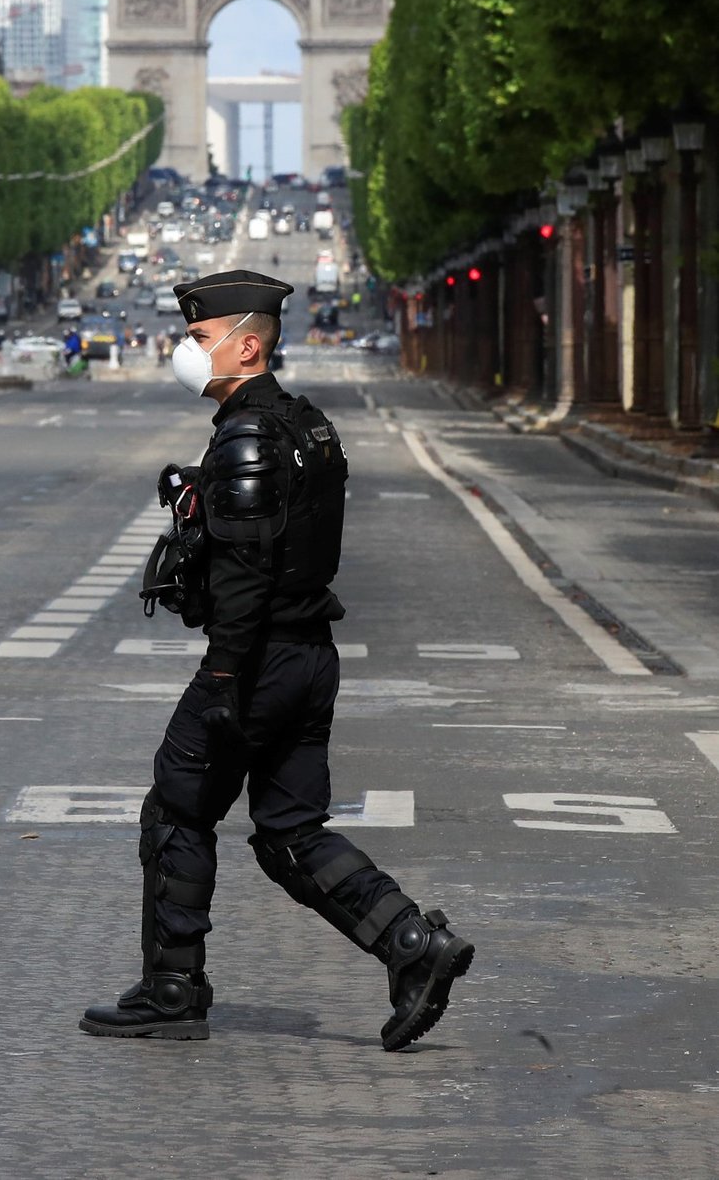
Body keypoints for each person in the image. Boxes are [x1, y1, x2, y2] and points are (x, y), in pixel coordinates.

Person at [80, 268, 474, 1049]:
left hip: (255, 662)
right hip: (308, 657)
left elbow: (249, 573)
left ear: (245, 343)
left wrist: (224, 676)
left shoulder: (249, 435)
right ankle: (411, 943)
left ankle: (171, 987)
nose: (185, 351)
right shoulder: (307, 424)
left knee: (177, 807)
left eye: (197, 338)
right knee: (290, 831)